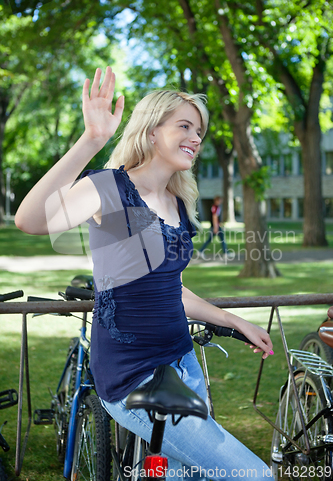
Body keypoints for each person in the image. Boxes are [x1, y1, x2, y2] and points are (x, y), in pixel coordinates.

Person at [15, 67, 274, 480]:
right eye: (184, 126)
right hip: (135, 374)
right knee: (253, 474)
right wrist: (92, 140)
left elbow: (167, 288)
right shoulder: (111, 189)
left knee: (183, 476)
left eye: (200, 131)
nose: (196, 137)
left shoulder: (178, 202)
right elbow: (30, 220)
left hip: (182, 363)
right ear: (152, 132)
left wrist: (232, 318)